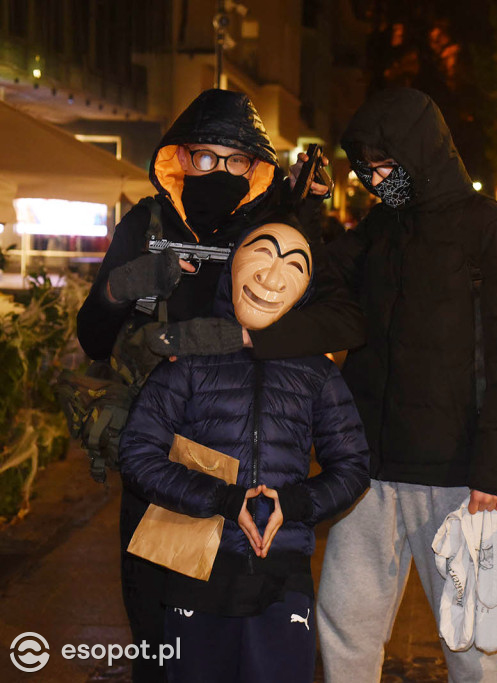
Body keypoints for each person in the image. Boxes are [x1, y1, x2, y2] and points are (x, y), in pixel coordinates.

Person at [75, 88, 363, 683]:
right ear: (179, 159)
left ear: (255, 169)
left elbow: (342, 316)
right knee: (160, 638)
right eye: (205, 158)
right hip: (157, 460)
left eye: (236, 161)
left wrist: (250, 339)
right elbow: (93, 337)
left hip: (245, 454)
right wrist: (122, 285)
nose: (220, 172)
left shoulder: (269, 228)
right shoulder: (144, 225)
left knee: (254, 641)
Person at [315, 87, 497, 683]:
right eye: (365, 166)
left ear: (421, 152)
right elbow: (312, 278)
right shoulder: (376, 229)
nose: (374, 177)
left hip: (455, 479)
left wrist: (495, 470)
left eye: (385, 163)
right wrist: (303, 211)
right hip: (366, 473)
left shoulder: (487, 229)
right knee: (342, 624)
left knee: (469, 640)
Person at [119, 221, 370, 683]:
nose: (272, 279)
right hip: (195, 571)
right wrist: (221, 498)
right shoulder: (189, 362)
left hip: (282, 573)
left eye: (294, 266)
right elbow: (137, 452)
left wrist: (293, 504)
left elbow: (353, 465)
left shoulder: (316, 373)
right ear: (233, 262)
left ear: (306, 290)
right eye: (262, 254)